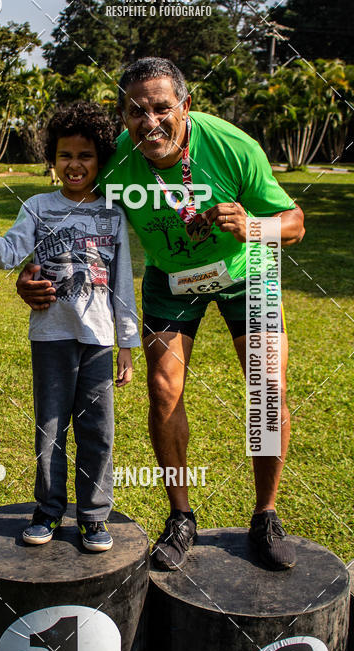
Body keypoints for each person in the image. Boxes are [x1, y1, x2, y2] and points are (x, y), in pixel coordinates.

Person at [16, 58, 305, 571]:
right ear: (124, 117)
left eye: (161, 108)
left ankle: (266, 515)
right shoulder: (118, 162)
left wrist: (254, 226)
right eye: (136, 111)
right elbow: (73, 213)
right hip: (174, 280)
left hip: (248, 269)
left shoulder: (233, 147)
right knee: (164, 389)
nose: (150, 121)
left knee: (265, 389)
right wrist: (30, 270)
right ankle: (181, 517)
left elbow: (295, 223)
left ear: (185, 106)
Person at [0, 101, 140, 551]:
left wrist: (127, 343)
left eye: (84, 155)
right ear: (53, 159)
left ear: (99, 158)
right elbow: (7, 255)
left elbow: (122, 281)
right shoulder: (39, 206)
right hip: (50, 337)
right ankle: (48, 512)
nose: (75, 164)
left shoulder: (114, 212)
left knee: (98, 433)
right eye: (65, 155)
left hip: (100, 341)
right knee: (50, 429)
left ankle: (94, 518)